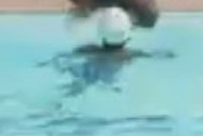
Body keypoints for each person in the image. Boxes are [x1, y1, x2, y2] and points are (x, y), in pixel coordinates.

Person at [45, 7, 175, 98]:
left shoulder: (87, 49)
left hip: (88, 75)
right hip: (109, 84)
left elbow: (63, 58)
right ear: (127, 35)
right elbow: (156, 55)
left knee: (78, 84)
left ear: (100, 32)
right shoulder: (129, 54)